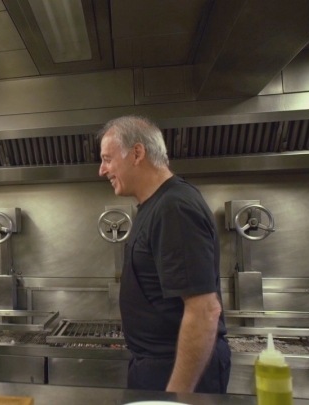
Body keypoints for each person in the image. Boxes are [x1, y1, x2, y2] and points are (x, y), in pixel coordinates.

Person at [97, 116, 230, 393]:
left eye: (107, 159)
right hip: (157, 367)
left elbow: (205, 310)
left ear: (137, 153)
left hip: (175, 371)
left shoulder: (174, 208)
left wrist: (175, 396)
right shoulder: (155, 206)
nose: (102, 170)